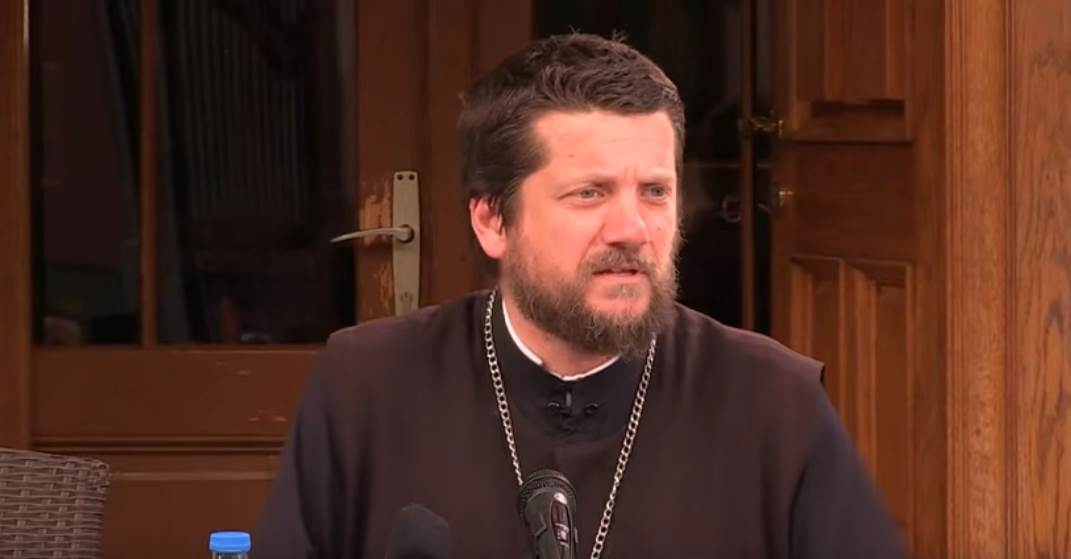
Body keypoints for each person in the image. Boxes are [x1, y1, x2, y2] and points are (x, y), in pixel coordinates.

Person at [252, 33, 908, 558]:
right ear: (491, 220)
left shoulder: (774, 403)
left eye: (654, 192)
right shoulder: (366, 386)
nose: (632, 229)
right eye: (589, 193)